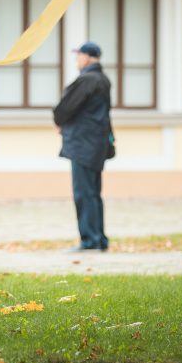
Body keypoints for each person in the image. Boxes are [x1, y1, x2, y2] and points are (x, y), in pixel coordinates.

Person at [53, 42, 113, 252]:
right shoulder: (102, 79)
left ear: (88, 57)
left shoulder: (87, 79)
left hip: (83, 145)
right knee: (93, 193)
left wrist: (59, 121)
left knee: (84, 193)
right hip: (96, 144)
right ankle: (99, 239)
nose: (77, 60)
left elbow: (65, 108)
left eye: (79, 56)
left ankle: (89, 240)